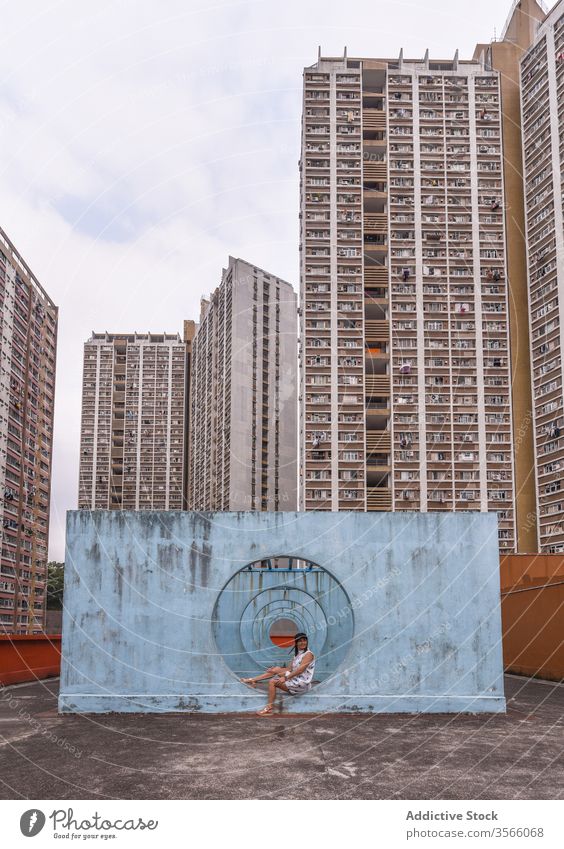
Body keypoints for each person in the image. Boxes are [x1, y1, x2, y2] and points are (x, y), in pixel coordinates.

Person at [241, 632, 316, 716]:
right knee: (275, 669)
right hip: (295, 679)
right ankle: (252, 680)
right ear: (296, 642)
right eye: (300, 641)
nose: (303, 642)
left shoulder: (308, 654)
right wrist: (275, 670)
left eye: (304, 640)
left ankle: (269, 708)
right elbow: (289, 669)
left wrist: (286, 678)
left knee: (272, 682)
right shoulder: (298, 654)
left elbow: (300, 670)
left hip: (301, 684)